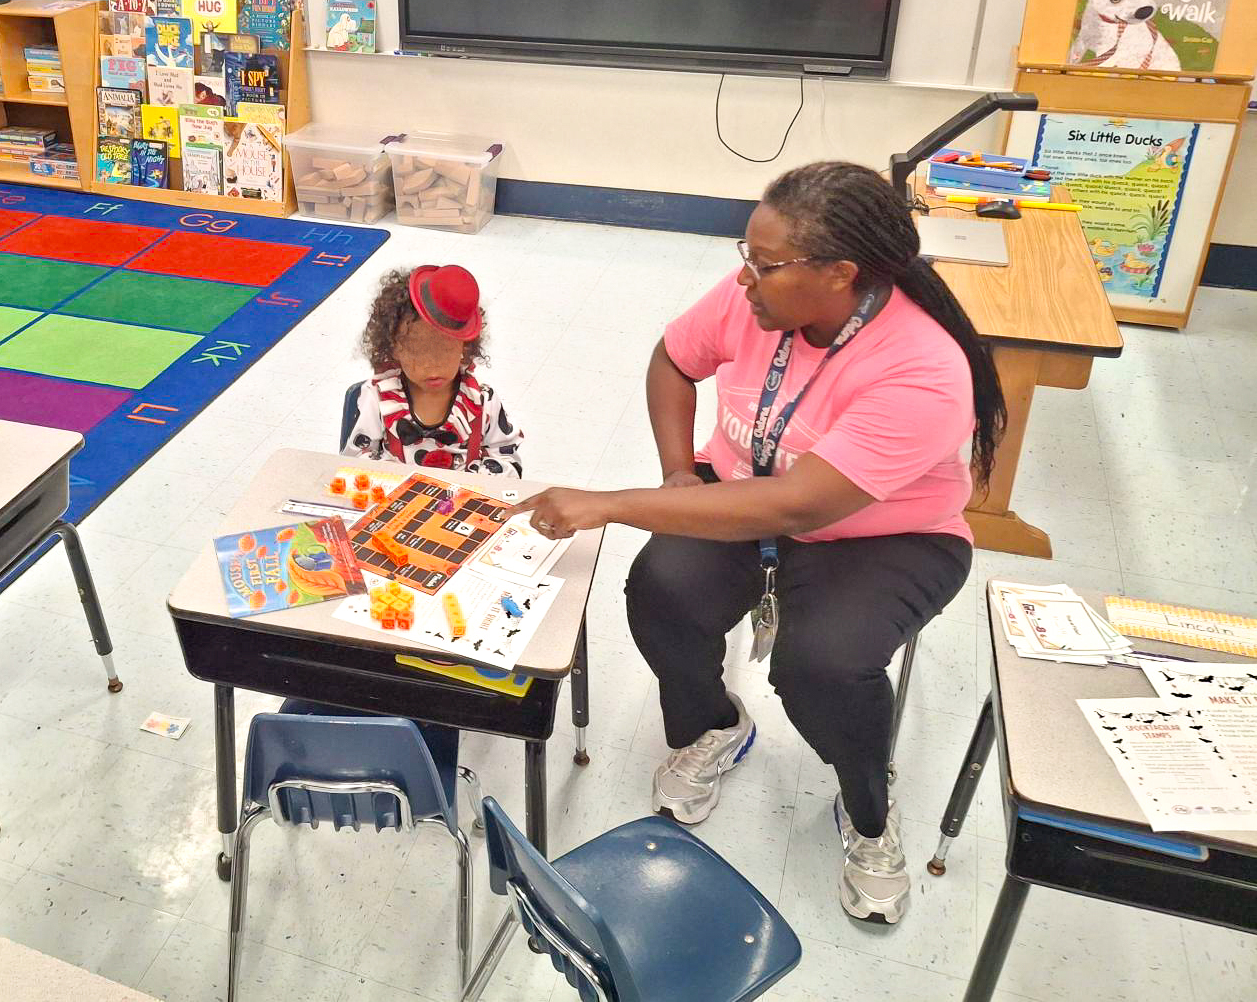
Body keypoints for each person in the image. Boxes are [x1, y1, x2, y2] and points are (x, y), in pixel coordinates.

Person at [513, 161, 1005, 926]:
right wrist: (678, 472)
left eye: (764, 264)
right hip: (751, 486)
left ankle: (866, 807)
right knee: (661, 589)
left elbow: (800, 504)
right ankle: (714, 724)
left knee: (824, 664)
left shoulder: (923, 368)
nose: (744, 278)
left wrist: (608, 504)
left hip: (883, 532)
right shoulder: (763, 298)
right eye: (746, 255)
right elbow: (673, 361)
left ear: (841, 274)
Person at [342, 264, 525, 476]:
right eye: (418, 352)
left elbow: (509, 459)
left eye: (445, 350)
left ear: (464, 347)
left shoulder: (483, 401)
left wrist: (479, 482)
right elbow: (355, 461)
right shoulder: (378, 398)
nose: (433, 365)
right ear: (394, 349)